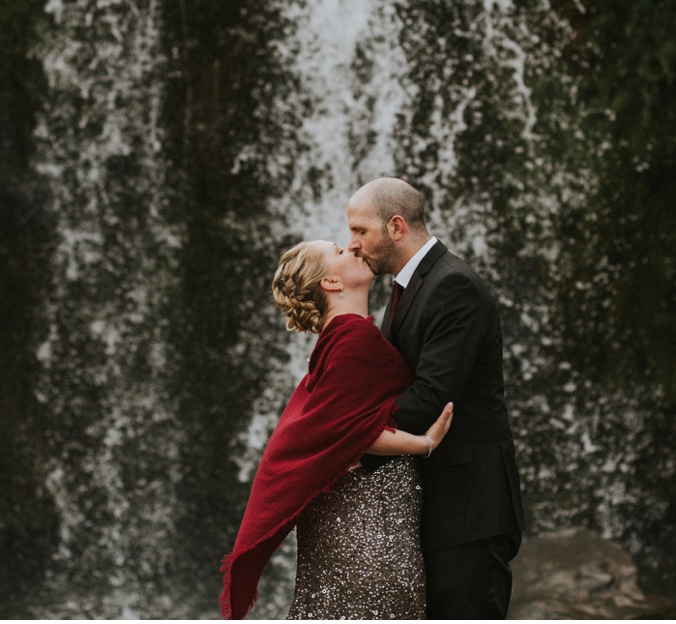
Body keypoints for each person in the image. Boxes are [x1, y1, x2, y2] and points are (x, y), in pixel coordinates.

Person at [220, 239, 455, 620]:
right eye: (339, 250)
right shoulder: (353, 338)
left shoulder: (337, 340)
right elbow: (346, 429)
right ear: (331, 282)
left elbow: (333, 423)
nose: (354, 247)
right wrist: (423, 443)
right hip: (365, 531)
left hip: (346, 529)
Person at [347, 178, 525, 620]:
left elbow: (431, 398)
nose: (352, 245)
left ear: (396, 226)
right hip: (442, 505)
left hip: (470, 508)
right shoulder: (410, 286)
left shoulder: (453, 286)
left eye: (360, 231)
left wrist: (348, 443)